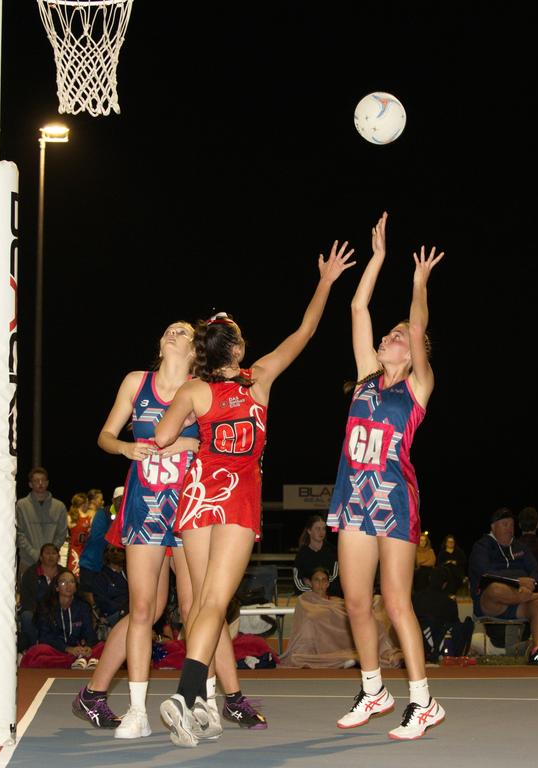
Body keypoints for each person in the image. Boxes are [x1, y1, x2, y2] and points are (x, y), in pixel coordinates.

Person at [154, 239, 354, 747]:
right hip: (238, 494)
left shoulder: (193, 392)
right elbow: (305, 331)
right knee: (216, 601)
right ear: (238, 350)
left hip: (199, 491)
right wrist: (325, 281)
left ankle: (198, 703)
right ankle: (185, 694)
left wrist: (193, 430)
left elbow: (159, 438)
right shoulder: (258, 380)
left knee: (201, 602)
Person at [74, 322, 266, 738]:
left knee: (201, 603)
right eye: (171, 329)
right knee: (147, 608)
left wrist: (184, 445)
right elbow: (106, 436)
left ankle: (219, 698)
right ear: (160, 342)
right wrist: (125, 446)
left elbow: (213, 442)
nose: (178, 332)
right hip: (146, 503)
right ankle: (116, 699)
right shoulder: (137, 382)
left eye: (186, 331)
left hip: (191, 504)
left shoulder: (203, 387)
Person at [323, 212, 447, 740]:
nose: (393, 335)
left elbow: (417, 326)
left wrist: (418, 283)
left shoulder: (418, 386)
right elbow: (356, 306)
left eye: (399, 335)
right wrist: (376, 259)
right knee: (355, 602)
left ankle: (423, 701)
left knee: (396, 601)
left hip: (395, 499)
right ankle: (374, 689)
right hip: (353, 495)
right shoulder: (364, 380)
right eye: (389, 333)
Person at [469, 507, 538, 665]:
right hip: (491, 603)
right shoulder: (482, 546)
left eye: (512, 525)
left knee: (537, 604)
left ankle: (537, 651)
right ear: (493, 527)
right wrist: (518, 581)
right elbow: (485, 573)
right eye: (505, 525)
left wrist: (531, 583)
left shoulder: (519, 546)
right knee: (495, 588)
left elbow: (536, 570)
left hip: (519, 600)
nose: (510, 529)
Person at [280, 567, 402, 669]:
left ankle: (377, 652)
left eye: (324, 580)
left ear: (328, 584)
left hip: (341, 636)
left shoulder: (336, 601)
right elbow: (307, 621)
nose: (320, 584)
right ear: (310, 583)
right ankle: (351, 658)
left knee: (375, 619)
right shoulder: (305, 600)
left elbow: (345, 613)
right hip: (318, 643)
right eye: (317, 580)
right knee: (296, 658)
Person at [25, 572, 98, 667]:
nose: (68, 585)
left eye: (72, 582)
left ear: (76, 588)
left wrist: (88, 646)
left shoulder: (83, 607)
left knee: (103, 647)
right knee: (38, 652)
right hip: (57, 651)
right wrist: (67, 649)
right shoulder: (46, 606)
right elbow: (45, 637)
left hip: (78, 650)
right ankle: (76, 661)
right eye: (63, 582)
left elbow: (89, 632)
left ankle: (78, 660)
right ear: (57, 588)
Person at [15, 466, 68, 578]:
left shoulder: (59, 506)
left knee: (51, 594)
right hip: (27, 561)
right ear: (30, 484)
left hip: (51, 563)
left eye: (43, 480)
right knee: (26, 593)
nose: (40, 483)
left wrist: (49, 554)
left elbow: (62, 533)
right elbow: (19, 533)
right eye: (36, 481)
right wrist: (34, 554)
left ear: (47, 483)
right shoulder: (21, 505)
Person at [18, 542, 68, 649]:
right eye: (47, 553)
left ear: (58, 557)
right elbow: (26, 600)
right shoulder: (30, 574)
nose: (51, 556)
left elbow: (72, 595)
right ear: (41, 557)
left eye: (54, 553)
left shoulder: (65, 573)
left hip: (59, 610)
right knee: (27, 616)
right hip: (35, 611)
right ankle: (31, 650)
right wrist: (41, 612)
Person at [77, 487, 120, 599]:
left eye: (124, 499)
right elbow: (98, 537)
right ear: (113, 500)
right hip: (91, 565)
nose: (121, 502)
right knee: (89, 601)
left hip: (112, 569)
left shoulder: (129, 515)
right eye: (119, 499)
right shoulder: (103, 514)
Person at [294, 515, 338, 590]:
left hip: (330, 596)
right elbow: (298, 581)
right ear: (309, 531)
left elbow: (334, 576)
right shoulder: (302, 554)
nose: (321, 532)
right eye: (318, 529)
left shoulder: (332, 551)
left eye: (323, 529)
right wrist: (312, 591)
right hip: (309, 596)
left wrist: (318, 586)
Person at [91, 546, 129, 627]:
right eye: (112, 551)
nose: (115, 553)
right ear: (106, 555)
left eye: (119, 550)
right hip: (113, 614)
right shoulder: (101, 577)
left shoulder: (129, 573)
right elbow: (102, 602)